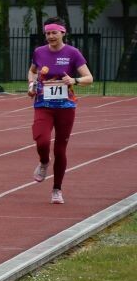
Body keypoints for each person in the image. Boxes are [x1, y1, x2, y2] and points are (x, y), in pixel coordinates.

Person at [27, 21, 93, 204]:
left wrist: (74, 80)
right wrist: (31, 85)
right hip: (43, 104)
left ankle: (57, 189)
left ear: (63, 33)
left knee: (60, 149)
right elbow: (32, 71)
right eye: (48, 34)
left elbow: (89, 78)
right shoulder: (39, 52)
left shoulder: (73, 53)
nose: (50, 36)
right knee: (42, 140)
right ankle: (43, 161)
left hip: (65, 107)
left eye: (54, 33)